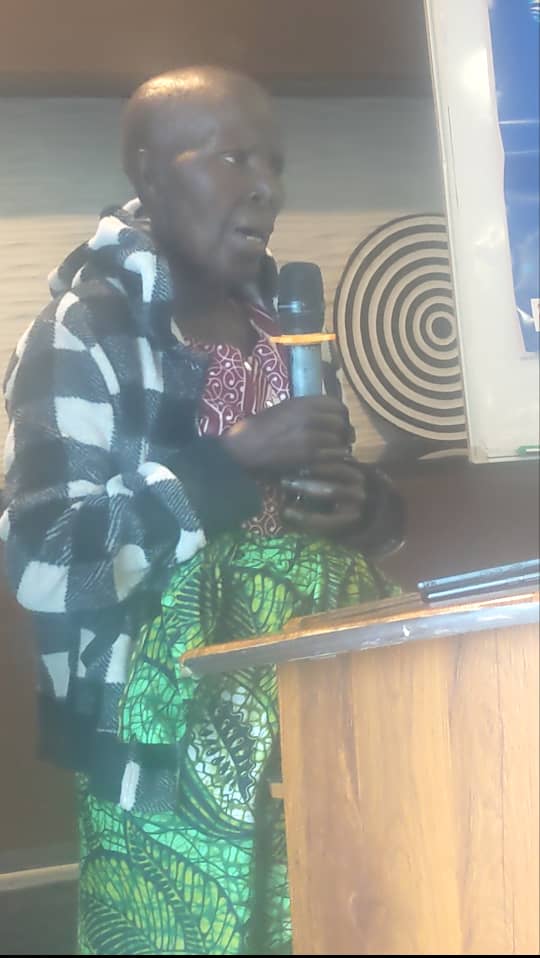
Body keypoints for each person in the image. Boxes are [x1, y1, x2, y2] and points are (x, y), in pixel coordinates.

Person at [0, 66, 404, 955]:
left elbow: (330, 513)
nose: (267, 187)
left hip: (321, 730)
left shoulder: (284, 329)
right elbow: (43, 556)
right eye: (233, 158)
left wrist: (360, 509)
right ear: (150, 174)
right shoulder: (82, 332)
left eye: (275, 163)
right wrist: (227, 466)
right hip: (162, 762)